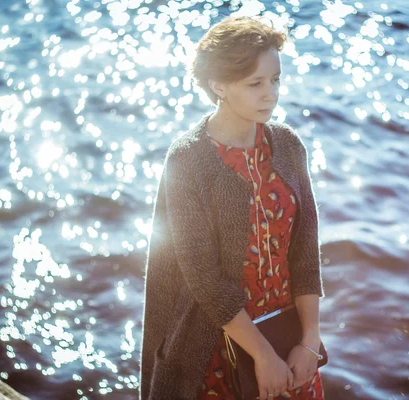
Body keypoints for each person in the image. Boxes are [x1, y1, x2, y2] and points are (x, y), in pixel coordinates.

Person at [140, 15, 326, 400]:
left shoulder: (288, 146)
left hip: (290, 341)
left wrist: (310, 341)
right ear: (218, 85)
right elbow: (203, 277)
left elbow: (305, 247)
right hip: (217, 344)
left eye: (275, 79)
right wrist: (262, 355)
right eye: (255, 83)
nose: (270, 94)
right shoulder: (189, 160)